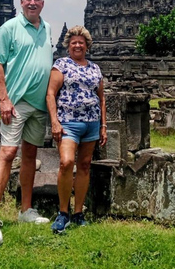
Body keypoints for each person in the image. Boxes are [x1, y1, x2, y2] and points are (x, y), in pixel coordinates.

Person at [0, 0, 53, 245]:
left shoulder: (47, 30)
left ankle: (25, 210)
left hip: (39, 105)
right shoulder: (9, 28)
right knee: (8, 152)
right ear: (21, 2)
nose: (32, 3)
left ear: (42, 4)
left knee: (31, 155)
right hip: (15, 102)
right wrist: (3, 99)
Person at [45, 25, 106, 234]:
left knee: (85, 165)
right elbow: (50, 94)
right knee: (66, 162)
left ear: (87, 46)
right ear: (68, 46)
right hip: (68, 122)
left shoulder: (95, 68)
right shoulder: (61, 65)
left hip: (91, 123)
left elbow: (101, 98)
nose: (77, 45)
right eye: (74, 43)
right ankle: (63, 212)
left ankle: (78, 213)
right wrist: (54, 121)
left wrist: (103, 126)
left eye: (81, 42)